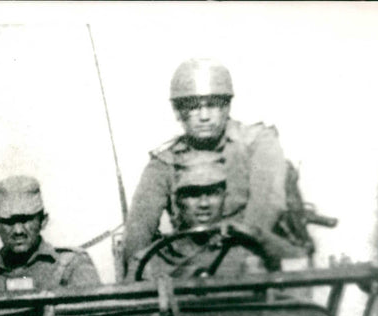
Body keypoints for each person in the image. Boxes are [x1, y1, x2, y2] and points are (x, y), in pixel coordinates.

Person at [123, 58, 306, 274]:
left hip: (253, 257)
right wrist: (139, 270)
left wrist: (230, 260)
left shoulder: (257, 144)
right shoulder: (165, 162)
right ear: (178, 112)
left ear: (227, 106)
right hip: (190, 264)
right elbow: (138, 233)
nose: (204, 116)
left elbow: (265, 212)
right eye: (193, 107)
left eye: (212, 105)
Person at [130, 162, 295, 281]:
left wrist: (257, 234)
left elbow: (297, 267)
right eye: (193, 194)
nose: (204, 204)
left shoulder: (245, 250)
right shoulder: (152, 260)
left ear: (224, 198)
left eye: (213, 193)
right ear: (178, 202)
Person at [0, 175, 101, 290]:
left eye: (26, 220)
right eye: (9, 222)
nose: (18, 231)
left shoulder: (71, 266)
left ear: (43, 221)